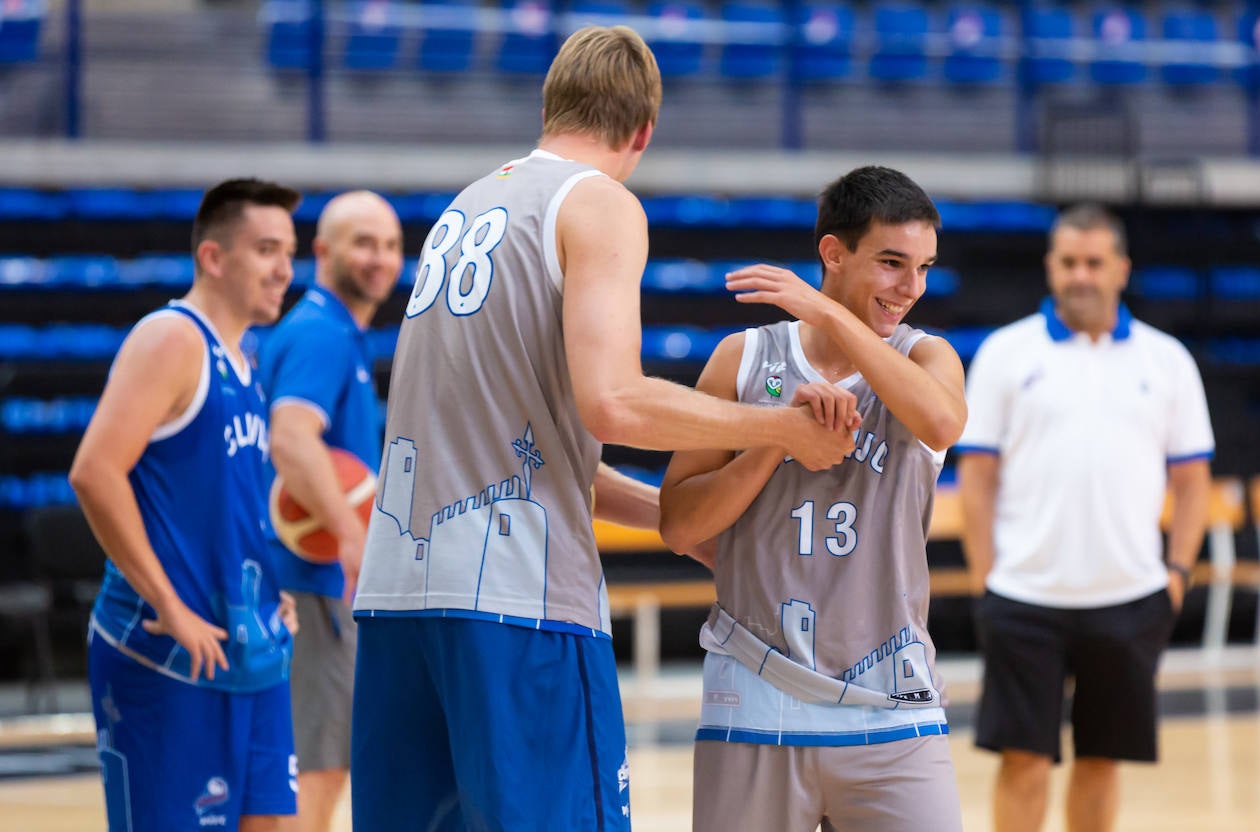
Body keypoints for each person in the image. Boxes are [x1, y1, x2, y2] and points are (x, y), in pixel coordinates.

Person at [349, 24, 854, 832]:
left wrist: (673, 519)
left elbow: (522, 446)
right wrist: (777, 430)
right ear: (644, 130)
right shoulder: (599, 204)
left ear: (550, 105)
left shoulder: (467, 205)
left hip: (398, 596)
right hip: (516, 600)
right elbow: (613, 403)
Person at [658, 166, 968, 832]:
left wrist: (824, 309)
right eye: (891, 263)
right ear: (834, 253)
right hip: (754, 696)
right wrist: (775, 439)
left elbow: (942, 424)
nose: (910, 288)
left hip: (895, 701)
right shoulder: (741, 360)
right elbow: (680, 523)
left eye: (922, 267)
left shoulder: (928, 359)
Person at [955, 204, 1214, 832]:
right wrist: (986, 578)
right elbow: (977, 476)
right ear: (1051, 266)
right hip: (1022, 596)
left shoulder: (1167, 360)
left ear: (1121, 269)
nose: (1082, 276)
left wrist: (1176, 573)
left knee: (1102, 761)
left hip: (1130, 597)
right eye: (1069, 262)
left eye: (1095, 263)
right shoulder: (1004, 353)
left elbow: (1193, 480)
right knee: (1024, 761)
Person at [70, 178, 302, 832]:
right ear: (213, 258)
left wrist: (268, 592)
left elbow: (224, 505)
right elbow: (94, 473)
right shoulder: (171, 339)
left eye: (288, 250)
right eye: (266, 249)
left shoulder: (247, 358)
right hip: (167, 650)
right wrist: (169, 603)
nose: (285, 267)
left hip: (247, 648)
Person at [257, 191, 403, 832]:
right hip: (309, 585)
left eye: (392, 246)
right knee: (311, 771)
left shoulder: (338, 332)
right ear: (322, 251)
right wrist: (349, 534)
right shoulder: (320, 330)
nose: (380, 259)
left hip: (305, 585)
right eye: (363, 242)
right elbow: (289, 438)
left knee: (310, 766)